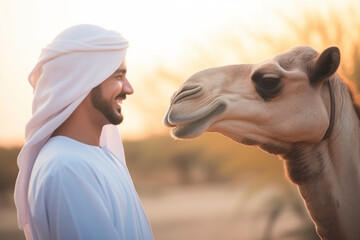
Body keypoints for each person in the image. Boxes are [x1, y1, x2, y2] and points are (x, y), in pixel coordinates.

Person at [14, 24, 153, 240]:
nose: (128, 89)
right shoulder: (66, 167)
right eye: (118, 77)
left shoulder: (97, 156)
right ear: (84, 81)